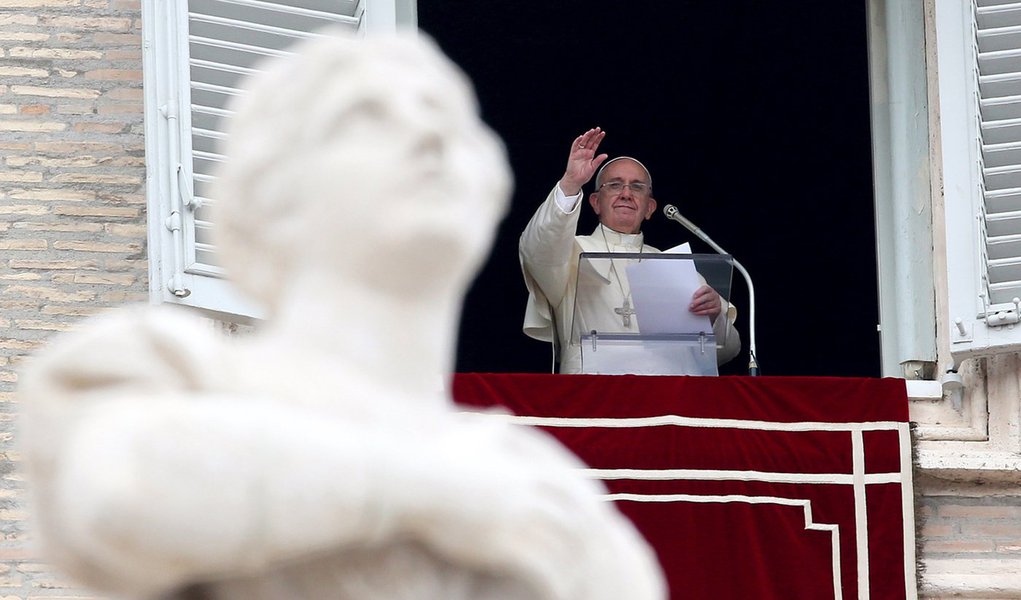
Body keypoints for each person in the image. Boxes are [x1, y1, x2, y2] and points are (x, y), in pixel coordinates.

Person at [19, 35, 665, 600]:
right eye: (365, 115)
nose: (429, 135)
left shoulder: (554, 495)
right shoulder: (164, 372)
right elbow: (120, 492)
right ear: (267, 196)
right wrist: (436, 488)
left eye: (447, 117)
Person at [520, 127, 741, 374]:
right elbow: (536, 250)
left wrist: (713, 319)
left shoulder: (673, 265)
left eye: (636, 187)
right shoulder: (570, 251)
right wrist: (571, 183)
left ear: (650, 207)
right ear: (595, 202)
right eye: (614, 185)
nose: (626, 194)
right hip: (589, 398)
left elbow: (729, 350)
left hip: (663, 403)